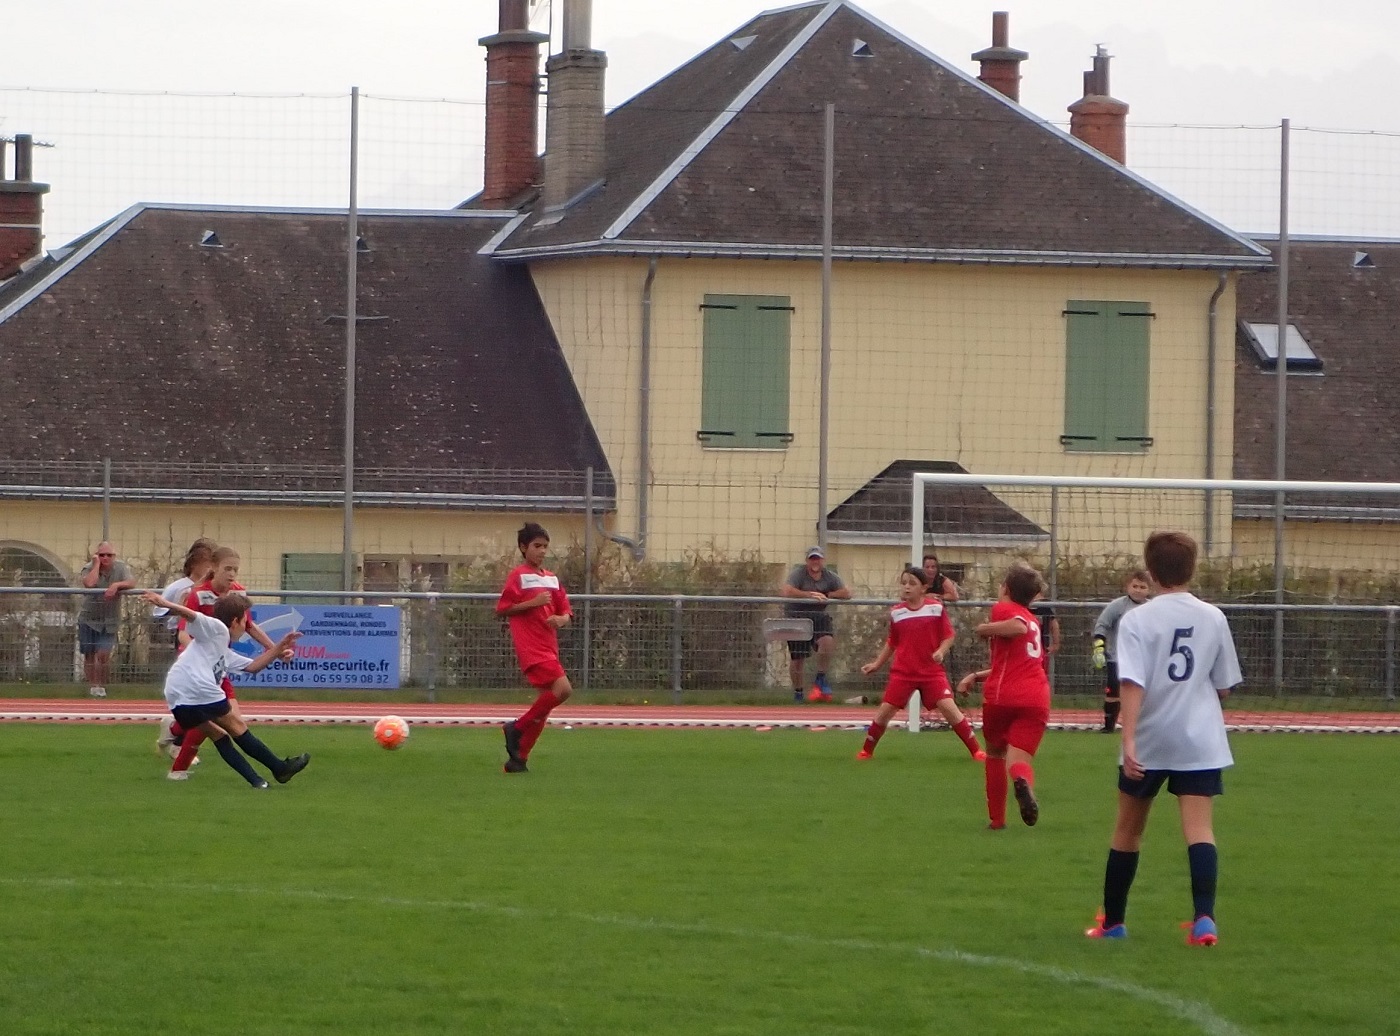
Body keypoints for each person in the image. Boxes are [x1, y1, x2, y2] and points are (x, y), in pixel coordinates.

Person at [1085, 532, 1242, 947]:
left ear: (1151, 573)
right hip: (1199, 740)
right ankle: (1204, 919)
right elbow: (1224, 687)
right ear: (1192, 569)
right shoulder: (1213, 617)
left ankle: (1113, 924)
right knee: (1200, 830)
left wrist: (1129, 741)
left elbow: (1132, 682)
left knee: (1127, 830)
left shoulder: (1137, 619)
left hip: (1150, 738)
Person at [141, 589, 309, 788]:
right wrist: (164, 603)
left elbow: (253, 667)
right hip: (196, 688)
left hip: (177, 697)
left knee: (219, 735)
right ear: (235, 621)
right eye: (245, 621)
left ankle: (258, 782)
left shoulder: (223, 651)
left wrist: (279, 648)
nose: (247, 626)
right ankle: (279, 769)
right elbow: (192, 615)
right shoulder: (218, 629)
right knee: (237, 726)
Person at [164, 546, 288, 775]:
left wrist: (276, 649)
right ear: (214, 567)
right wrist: (203, 657)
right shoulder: (198, 594)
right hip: (199, 670)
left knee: (224, 723)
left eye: (235, 570)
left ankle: (175, 733)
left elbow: (248, 626)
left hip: (221, 664)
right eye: (227, 569)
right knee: (225, 723)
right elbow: (183, 633)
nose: (232, 574)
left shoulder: (237, 593)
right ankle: (179, 763)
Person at [857, 566, 984, 761]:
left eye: (912, 583)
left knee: (950, 708)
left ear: (924, 588)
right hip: (904, 672)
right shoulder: (897, 612)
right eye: (904, 583)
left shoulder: (935, 608)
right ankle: (866, 751)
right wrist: (877, 664)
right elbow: (892, 642)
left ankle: (976, 751)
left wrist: (940, 651)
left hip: (931, 672)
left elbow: (949, 636)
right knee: (885, 712)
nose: (906, 587)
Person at [975, 564, 1052, 830]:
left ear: (1006, 589)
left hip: (1003, 694)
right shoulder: (1034, 621)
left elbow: (1016, 627)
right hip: (1036, 696)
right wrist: (976, 676)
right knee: (1019, 760)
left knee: (995, 754)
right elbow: (1023, 659)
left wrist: (984, 628)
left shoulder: (1005, 608)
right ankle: (1022, 781)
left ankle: (997, 820)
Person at [498, 522, 574, 774]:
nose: (542, 551)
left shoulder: (551, 578)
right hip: (531, 647)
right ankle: (517, 728)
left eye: (545, 546)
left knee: (546, 705)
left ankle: (519, 759)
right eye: (537, 546)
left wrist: (561, 619)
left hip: (549, 645)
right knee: (563, 690)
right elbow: (503, 609)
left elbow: (566, 611)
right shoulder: (518, 576)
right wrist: (533, 602)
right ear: (523, 547)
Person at [153, 539, 218, 759]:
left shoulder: (212, 587)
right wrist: (181, 608)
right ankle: (178, 742)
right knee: (194, 693)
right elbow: (158, 612)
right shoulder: (179, 587)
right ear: (194, 564)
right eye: (208, 563)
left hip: (208, 642)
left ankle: (174, 730)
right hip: (185, 639)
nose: (211, 568)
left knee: (204, 696)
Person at [781, 546, 851, 702]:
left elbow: (847, 593)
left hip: (818, 616)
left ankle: (820, 677)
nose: (815, 562)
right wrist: (809, 595)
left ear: (822, 560)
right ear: (807, 561)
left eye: (818, 559)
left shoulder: (829, 576)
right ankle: (798, 693)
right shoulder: (798, 574)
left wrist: (827, 595)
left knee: (827, 642)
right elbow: (786, 591)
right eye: (812, 558)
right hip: (796, 616)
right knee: (798, 658)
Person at [1091, 570, 1152, 733]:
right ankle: (1109, 725)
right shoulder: (1118, 606)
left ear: (1149, 589)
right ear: (1127, 587)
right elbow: (1102, 625)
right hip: (1117, 657)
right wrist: (1099, 649)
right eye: (1135, 586)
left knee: (1141, 692)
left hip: (1142, 659)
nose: (1138, 590)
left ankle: (1141, 726)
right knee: (1113, 691)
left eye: (1142, 587)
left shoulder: (1152, 608)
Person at [77, 541, 137, 698]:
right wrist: (96, 565)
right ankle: (93, 686)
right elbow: (89, 583)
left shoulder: (121, 568)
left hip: (110, 620)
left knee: (103, 654)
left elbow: (132, 582)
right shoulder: (89, 567)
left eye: (109, 555)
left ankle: (102, 685)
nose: (105, 558)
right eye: (102, 555)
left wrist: (117, 585)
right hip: (89, 618)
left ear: (114, 556)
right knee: (89, 654)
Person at [1030, 590, 1061, 684]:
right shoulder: (1022, 606)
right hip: (1024, 648)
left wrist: (1056, 643)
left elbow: (1054, 624)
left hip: (1041, 649)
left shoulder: (1044, 607)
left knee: (1039, 674)